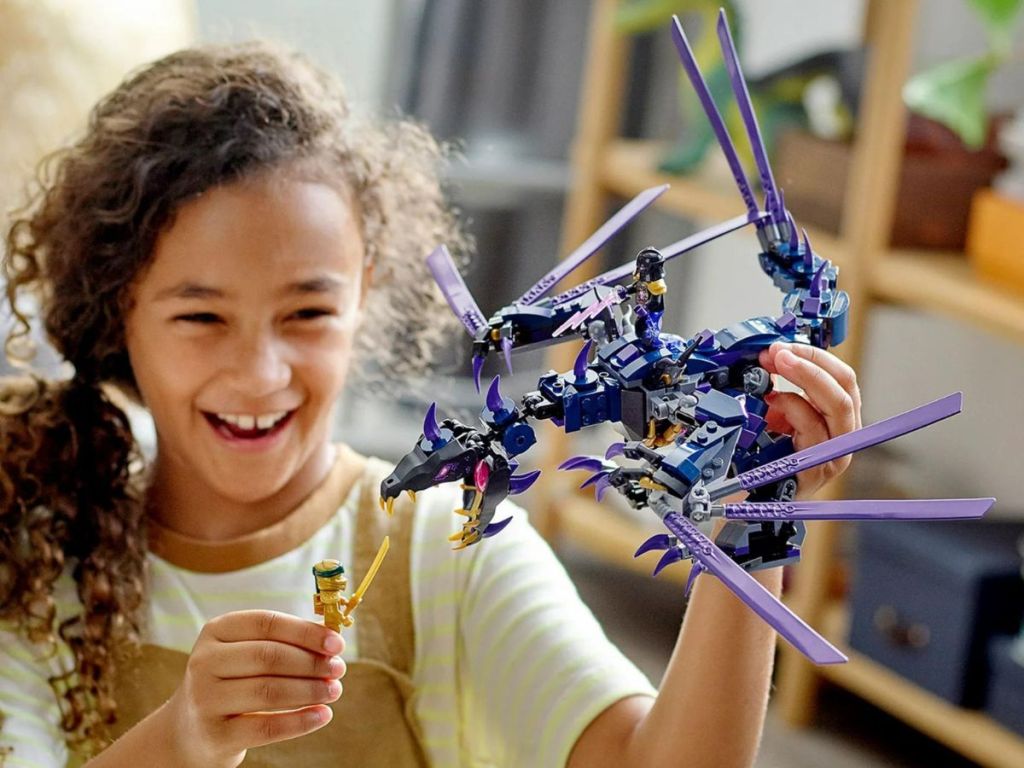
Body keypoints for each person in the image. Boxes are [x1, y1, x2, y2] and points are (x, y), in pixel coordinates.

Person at [0, 41, 862, 768]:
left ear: (366, 292)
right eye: (200, 317)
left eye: (306, 313)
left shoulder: (447, 548)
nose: (260, 373)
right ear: (120, 309)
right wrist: (184, 738)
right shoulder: (32, 556)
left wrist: (754, 524)